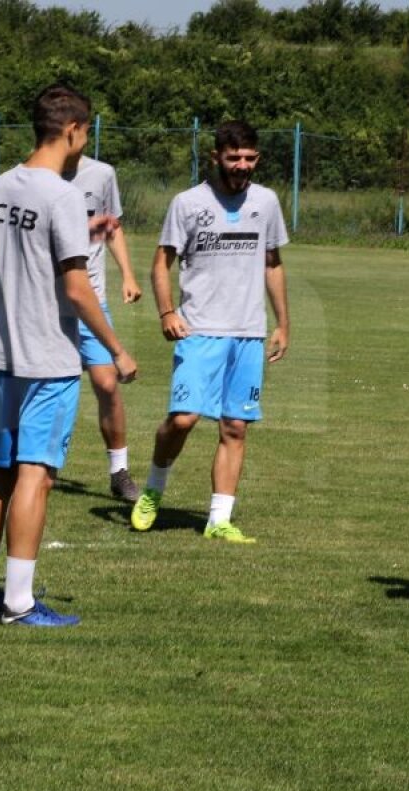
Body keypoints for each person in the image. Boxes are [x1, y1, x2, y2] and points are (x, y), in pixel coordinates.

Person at [0, 85, 137, 627]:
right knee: (35, 476)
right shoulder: (63, 194)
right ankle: (18, 602)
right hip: (48, 358)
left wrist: (80, 230)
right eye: (85, 131)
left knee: (0, 471)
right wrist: (116, 347)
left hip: (4, 351)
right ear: (73, 130)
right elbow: (76, 288)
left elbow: (22, 249)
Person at [130, 120, 290, 544]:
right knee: (183, 419)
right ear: (217, 156)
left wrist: (282, 324)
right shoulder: (188, 203)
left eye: (249, 158)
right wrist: (167, 312)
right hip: (199, 329)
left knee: (235, 427)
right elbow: (160, 264)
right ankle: (152, 489)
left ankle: (219, 519)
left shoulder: (267, 202)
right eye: (233, 157)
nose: (241, 166)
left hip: (248, 332)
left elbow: (272, 263)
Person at [62, 155, 143, 502]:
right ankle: (24, 466)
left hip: (92, 299)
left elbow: (112, 227)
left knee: (107, 383)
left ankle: (119, 472)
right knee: (48, 386)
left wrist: (127, 274)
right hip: (48, 304)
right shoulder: (37, 175)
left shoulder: (102, 173)